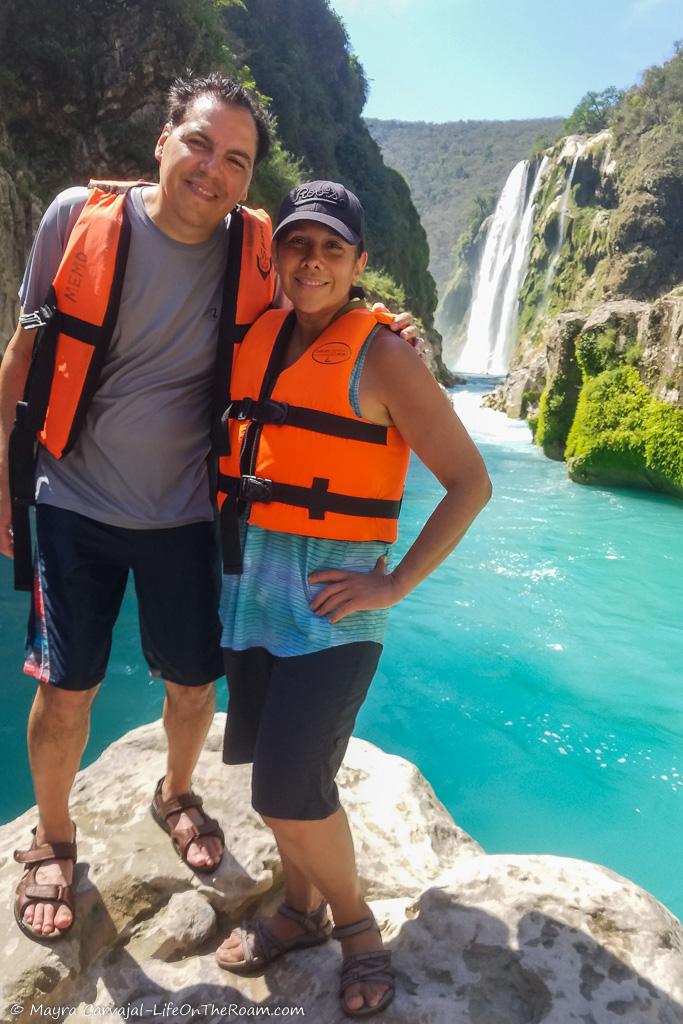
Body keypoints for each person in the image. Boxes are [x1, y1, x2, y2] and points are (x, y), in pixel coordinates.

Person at [212, 181, 492, 1018]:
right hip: (252, 595)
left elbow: (468, 483)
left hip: (335, 615)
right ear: (276, 254)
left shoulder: (386, 356)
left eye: (333, 248)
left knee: (287, 789)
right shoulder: (256, 337)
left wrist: (397, 581)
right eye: (299, 243)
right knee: (274, 777)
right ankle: (297, 909)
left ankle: (356, 929)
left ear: (360, 264)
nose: (312, 261)